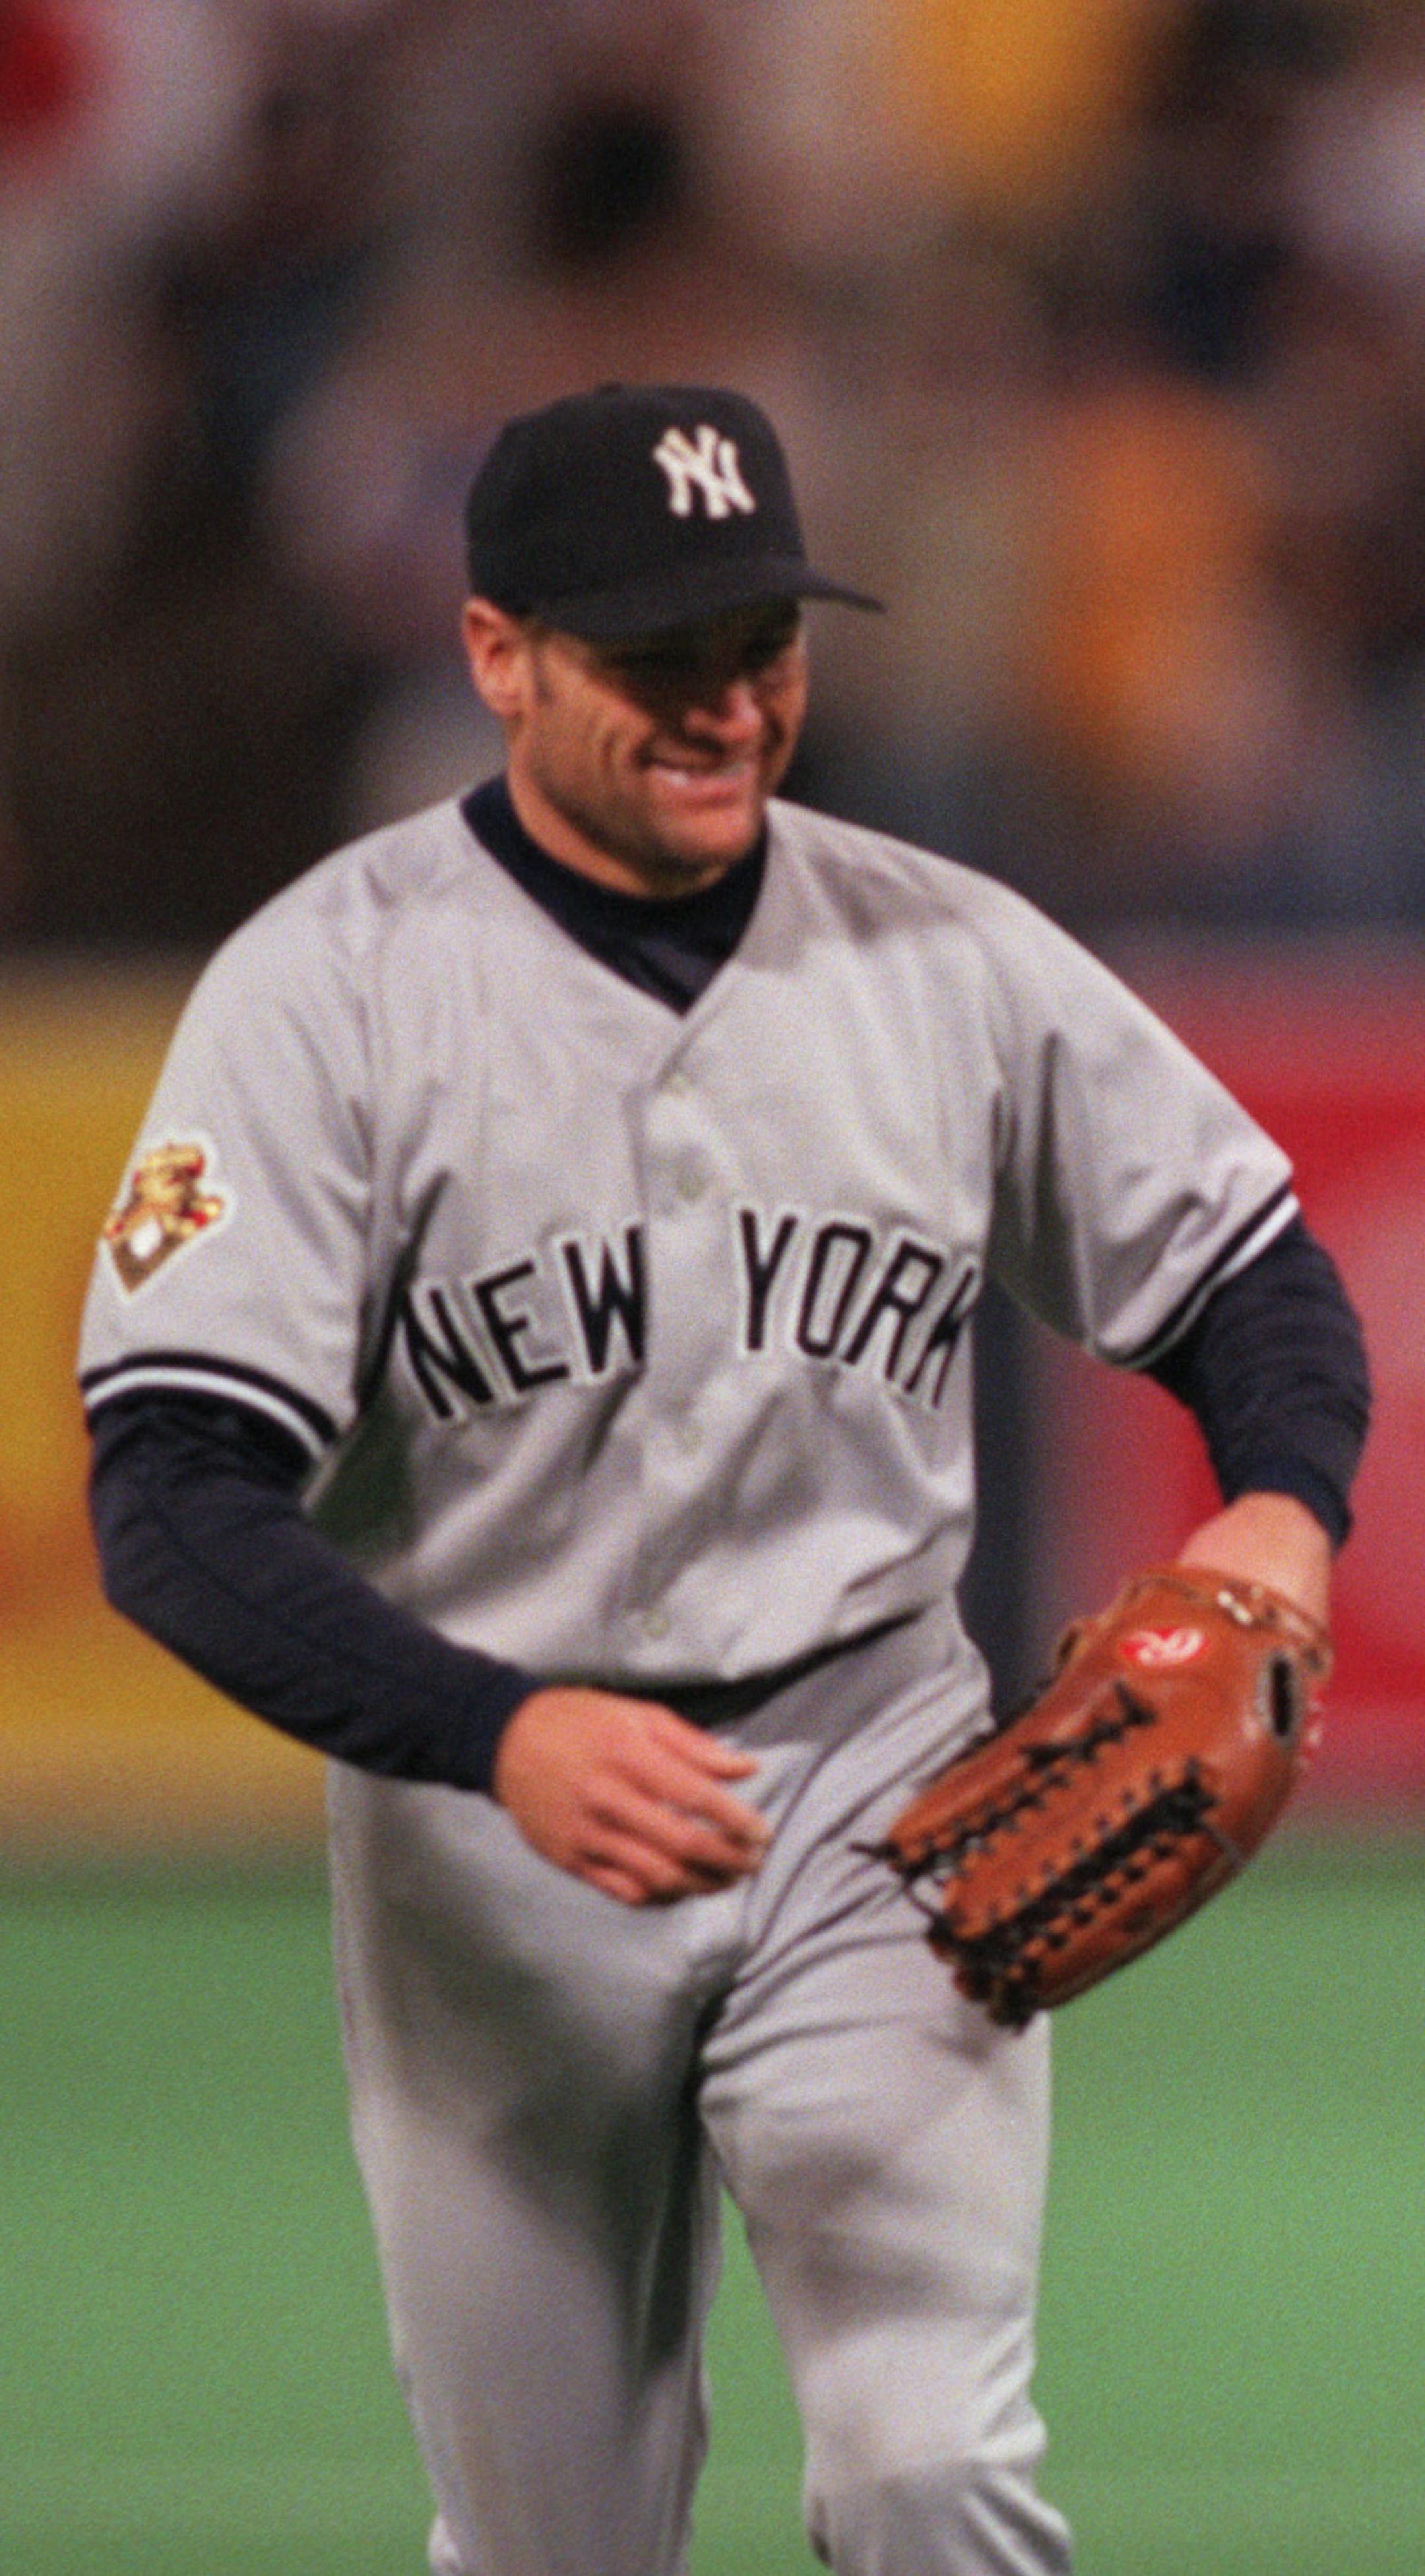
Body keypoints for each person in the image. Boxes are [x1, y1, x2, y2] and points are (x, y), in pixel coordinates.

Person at [79, 382, 1369, 2576]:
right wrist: (495, 1732)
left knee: (926, 2470)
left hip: (879, 1801)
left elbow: (1252, 1275)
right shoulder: (323, 992)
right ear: (498, 654)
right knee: (555, 2544)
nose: (727, 702)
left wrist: (1282, 1508)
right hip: (491, 1835)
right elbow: (172, 1496)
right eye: (655, 654)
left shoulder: (946, 953)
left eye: (761, 642)